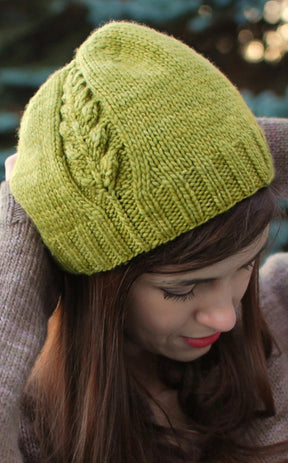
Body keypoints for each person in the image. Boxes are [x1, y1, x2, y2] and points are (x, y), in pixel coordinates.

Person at [0, 20, 288, 463]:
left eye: (245, 265)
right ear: (98, 283)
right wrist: (23, 229)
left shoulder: (279, 307)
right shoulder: (31, 429)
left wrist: (223, 145)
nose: (226, 316)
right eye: (183, 287)